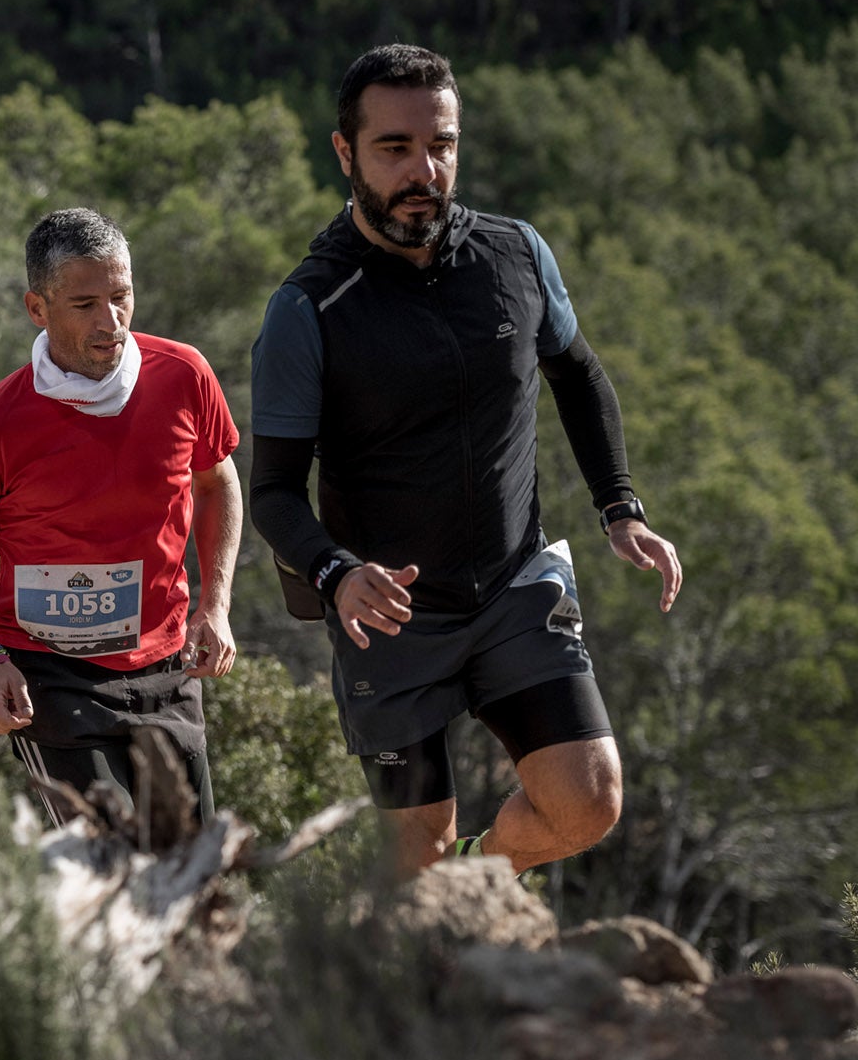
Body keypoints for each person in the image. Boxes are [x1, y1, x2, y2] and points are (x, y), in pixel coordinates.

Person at [249, 43, 683, 876]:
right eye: (395, 148)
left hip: (515, 584)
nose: (424, 170)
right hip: (391, 620)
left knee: (588, 801)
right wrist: (336, 572)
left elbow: (578, 372)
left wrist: (619, 505)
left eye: (441, 145)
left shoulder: (516, 256)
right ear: (346, 153)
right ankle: (439, 902)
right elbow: (272, 492)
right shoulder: (308, 309)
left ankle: (476, 879)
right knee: (415, 865)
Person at [0, 208, 243, 822]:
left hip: (166, 669)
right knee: (108, 861)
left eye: (122, 297)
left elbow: (218, 481)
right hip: (51, 679)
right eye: (85, 304)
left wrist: (215, 605)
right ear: (37, 309)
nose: (111, 322)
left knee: (190, 873)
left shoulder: (183, 375)